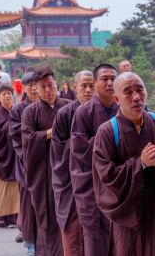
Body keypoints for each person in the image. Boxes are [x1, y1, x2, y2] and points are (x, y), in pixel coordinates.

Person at [93, 72, 155, 255]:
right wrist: (141, 164)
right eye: (128, 92)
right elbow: (106, 176)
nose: (136, 97)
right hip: (128, 216)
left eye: (140, 90)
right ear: (116, 98)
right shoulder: (107, 132)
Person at [70, 64, 119, 256]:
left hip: (118, 183)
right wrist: (109, 138)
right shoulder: (83, 112)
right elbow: (80, 149)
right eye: (104, 79)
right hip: (90, 185)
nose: (109, 83)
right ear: (96, 83)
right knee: (95, 238)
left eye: (113, 79)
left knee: (120, 237)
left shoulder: (122, 108)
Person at [22, 67, 70, 256]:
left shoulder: (68, 106)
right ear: (36, 89)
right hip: (43, 172)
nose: (48, 90)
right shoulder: (30, 112)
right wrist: (51, 132)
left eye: (51, 85)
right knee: (47, 213)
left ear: (57, 84)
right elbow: (28, 139)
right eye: (43, 87)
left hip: (67, 168)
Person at [51, 70, 94, 256]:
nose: (88, 90)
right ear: (74, 87)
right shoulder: (64, 114)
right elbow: (58, 151)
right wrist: (82, 144)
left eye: (91, 85)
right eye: (83, 86)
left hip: (98, 182)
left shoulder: (104, 112)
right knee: (74, 235)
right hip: (71, 182)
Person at [9, 72, 39, 255]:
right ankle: (30, 240)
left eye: (38, 84)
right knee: (29, 202)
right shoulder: (18, 111)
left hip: (50, 163)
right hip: (27, 163)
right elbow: (17, 136)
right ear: (25, 88)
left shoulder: (51, 107)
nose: (35, 88)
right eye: (31, 85)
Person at [0, 84, 20, 227]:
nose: (7, 96)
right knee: (0, 188)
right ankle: (1, 218)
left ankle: (15, 217)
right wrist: (9, 125)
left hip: (15, 153)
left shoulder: (17, 111)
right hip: (0, 154)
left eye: (9, 93)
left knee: (15, 189)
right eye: (3, 94)